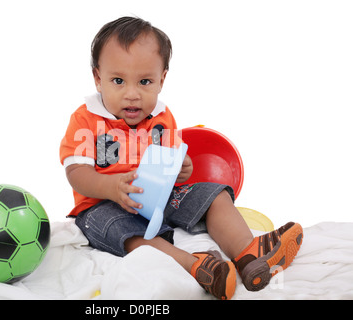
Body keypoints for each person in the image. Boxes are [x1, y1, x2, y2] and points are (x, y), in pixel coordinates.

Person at [59, 16, 303, 300]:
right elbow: (76, 172)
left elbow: (170, 164)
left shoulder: (162, 118)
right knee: (127, 233)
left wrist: (179, 171)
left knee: (213, 195)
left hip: (159, 198)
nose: (132, 94)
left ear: (161, 80)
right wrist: (111, 187)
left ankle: (249, 255)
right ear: (98, 78)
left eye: (145, 81)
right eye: (118, 81)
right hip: (104, 205)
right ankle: (198, 267)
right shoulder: (86, 119)